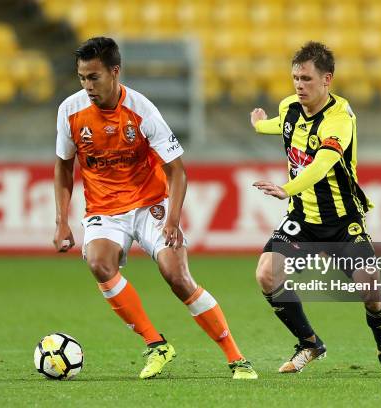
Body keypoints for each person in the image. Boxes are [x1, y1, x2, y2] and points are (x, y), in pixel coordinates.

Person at [53, 36, 257, 380]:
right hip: (104, 208)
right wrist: (61, 221)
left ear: (115, 72)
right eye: (82, 78)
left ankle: (237, 358)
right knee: (99, 263)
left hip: (151, 205)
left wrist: (173, 220)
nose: (87, 86)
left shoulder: (142, 110)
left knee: (176, 276)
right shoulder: (70, 111)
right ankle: (156, 344)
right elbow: (63, 167)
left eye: (94, 77)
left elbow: (177, 171)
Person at [250, 41, 381, 374]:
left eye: (306, 79)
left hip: (342, 220)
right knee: (267, 273)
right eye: (295, 77)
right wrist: (259, 124)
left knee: (370, 285)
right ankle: (309, 343)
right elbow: (280, 123)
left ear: (327, 80)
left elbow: (322, 164)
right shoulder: (291, 107)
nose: (299, 85)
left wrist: (287, 188)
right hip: (303, 219)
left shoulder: (339, 119)